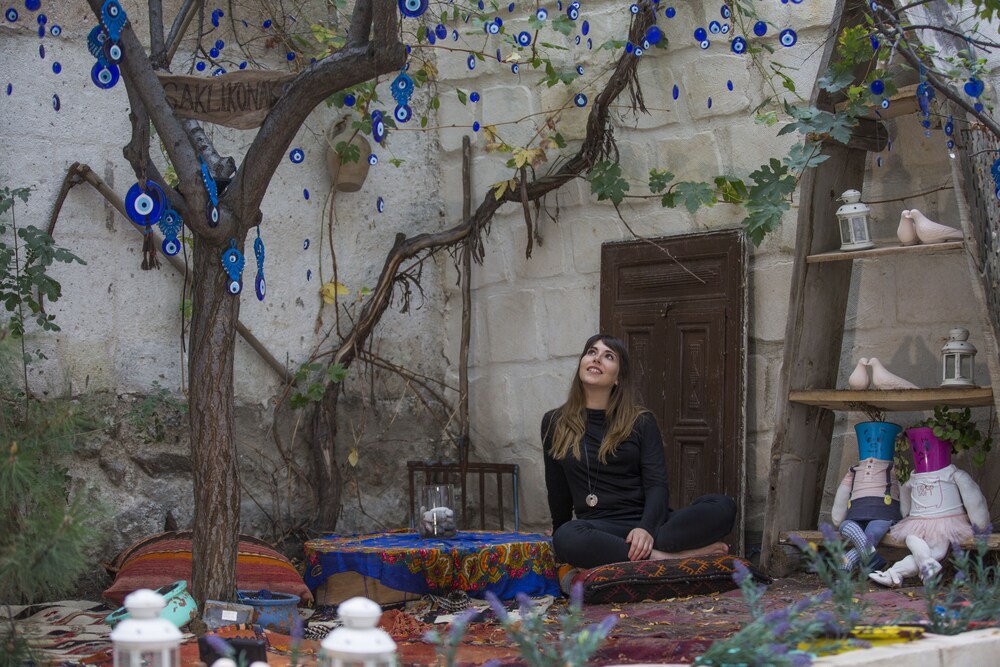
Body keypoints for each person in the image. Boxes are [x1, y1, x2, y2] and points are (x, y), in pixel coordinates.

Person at [542, 333, 737, 571]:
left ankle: (641, 551)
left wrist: (645, 528)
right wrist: (560, 530)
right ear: (582, 363)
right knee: (567, 536)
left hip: (653, 525)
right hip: (600, 529)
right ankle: (665, 558)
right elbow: (558, 489)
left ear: (618, 378)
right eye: (592, 352)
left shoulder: (640, 422)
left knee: (722, 506)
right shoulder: (555, 422)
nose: (597, 359)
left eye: (608, 356)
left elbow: (657, 484)